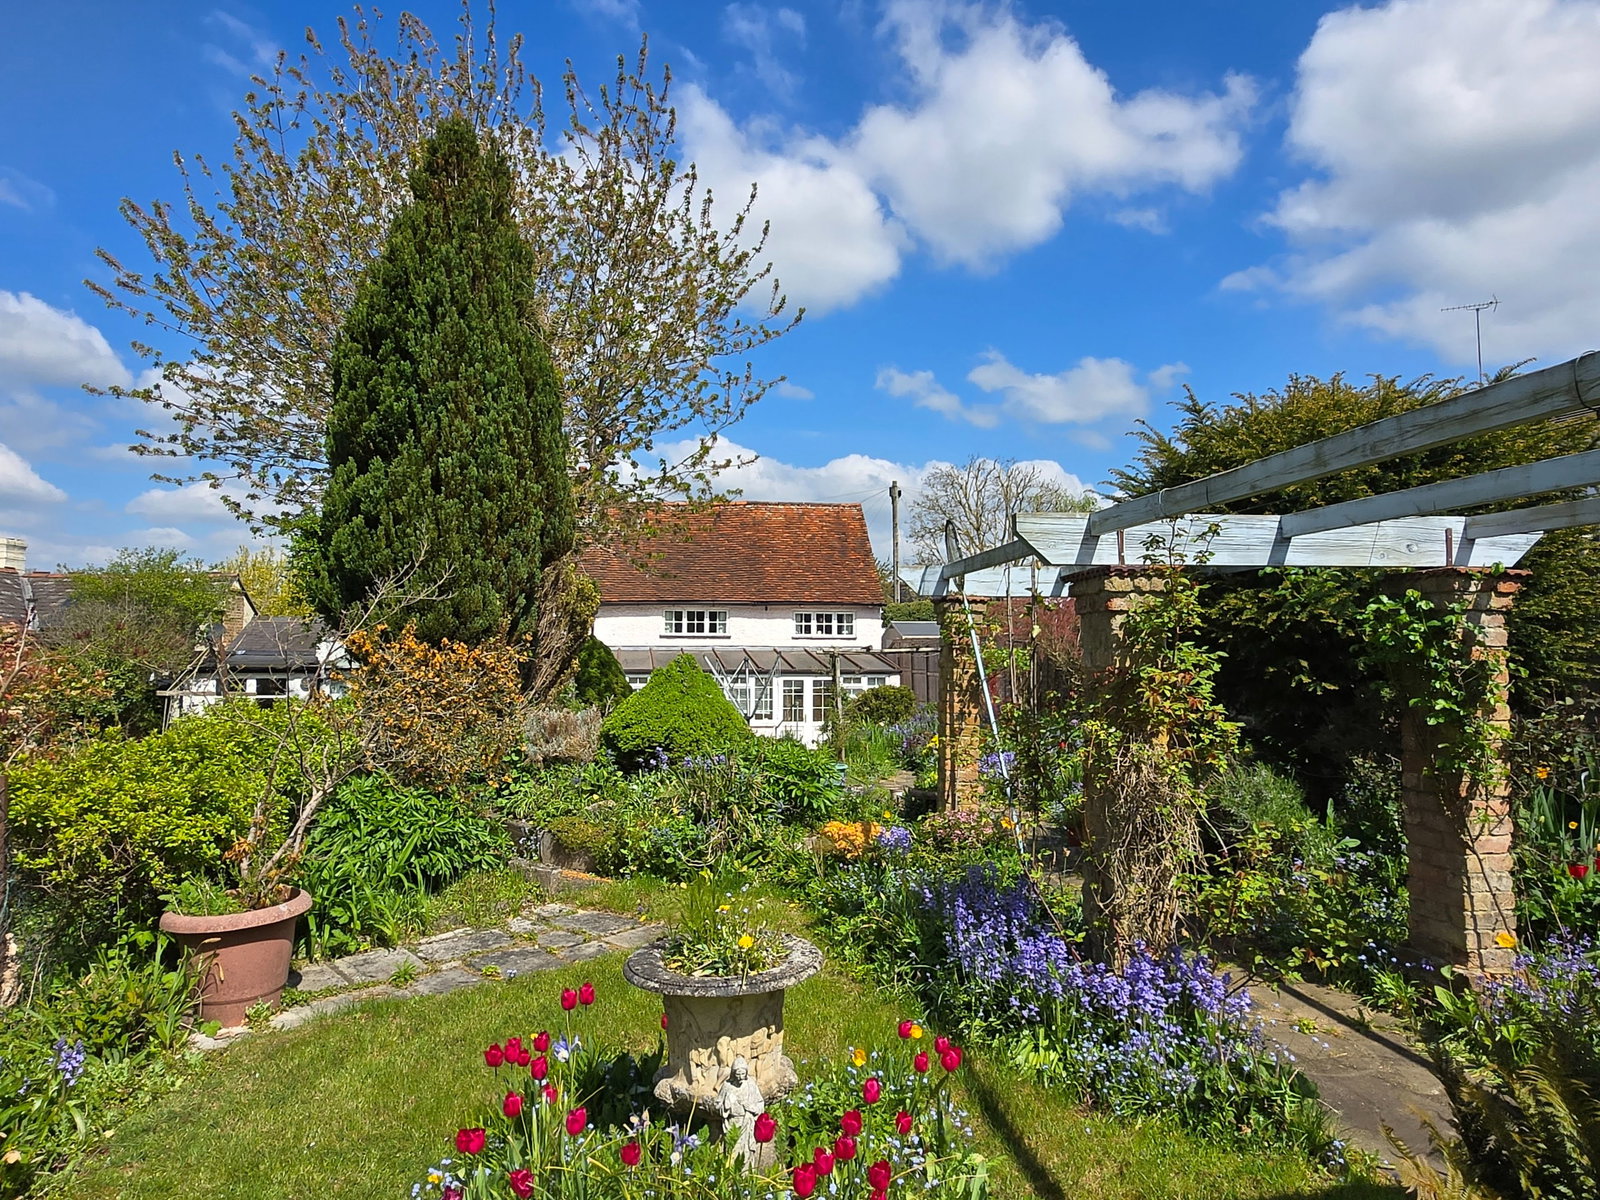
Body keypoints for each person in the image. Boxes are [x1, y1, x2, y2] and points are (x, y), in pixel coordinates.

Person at [716, 1056, 767, 1168]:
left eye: (742, 1074)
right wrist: (727, 1104)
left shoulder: (750, 1085)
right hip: (732, 1122)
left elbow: (760, 1104)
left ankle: (745, 1174)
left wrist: (750, 1107)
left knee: (746, 1151)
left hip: (747, 1122)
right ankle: (730, 1175)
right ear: (733, 1073)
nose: (740, 1077)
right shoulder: (727, 1086)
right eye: (737, 1074)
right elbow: (717, 1104)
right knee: (732, 1149)